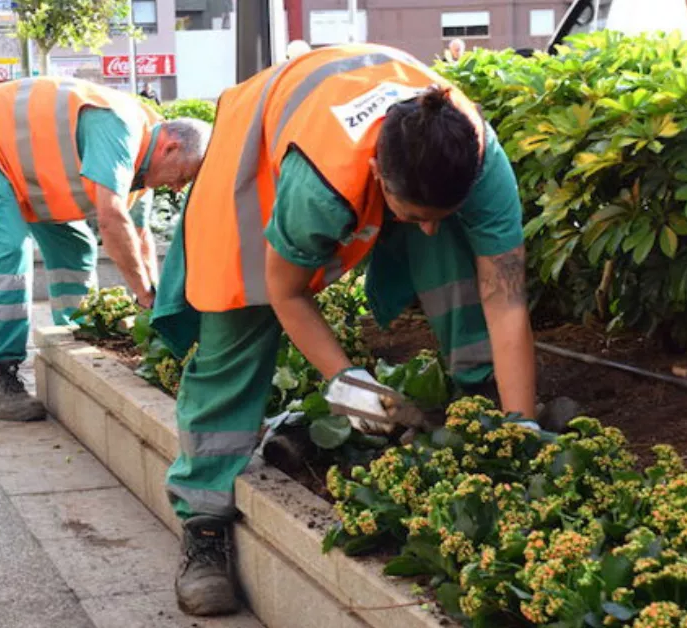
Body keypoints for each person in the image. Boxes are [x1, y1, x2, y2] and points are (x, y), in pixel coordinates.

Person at [150, 43, 537, 616]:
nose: (424, 232)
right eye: (412, 216)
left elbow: (506, 303)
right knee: (240, 311)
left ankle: (480, 405)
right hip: (260, 144)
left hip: (365, 124)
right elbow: (285, 292)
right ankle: (204, 521)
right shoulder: (319, 182)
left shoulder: (480, 162)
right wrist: (349, 382)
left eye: (436, 213)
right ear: (377, 173)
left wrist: (520, 429)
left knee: (455, 253)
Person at [0, 76, 210, 422]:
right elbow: (112, 219)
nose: (177, 188)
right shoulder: (118, 127)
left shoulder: (146, 161)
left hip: (28, 170)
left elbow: (139, 237)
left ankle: (76, 336)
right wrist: (144, 295)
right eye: (183, 176)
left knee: (77, 246)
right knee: (9, 248)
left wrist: (156, 302)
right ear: (171, 146)